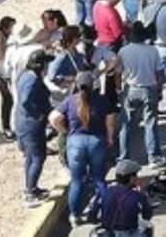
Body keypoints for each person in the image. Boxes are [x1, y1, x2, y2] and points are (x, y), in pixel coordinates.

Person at [50, 71, 118, 227]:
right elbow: (110, 122)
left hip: (75, 143)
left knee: (76, 181)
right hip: (96, 142)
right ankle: (104, 211)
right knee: (99, 178)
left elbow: (53, 118)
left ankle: (75, 215)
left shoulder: (70, 101)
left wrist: (64, 130)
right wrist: (110, 138)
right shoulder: (102, 101)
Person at [116, 22, 166, 167]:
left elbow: (118, 73)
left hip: (130, 88)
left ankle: (124, 157)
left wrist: (119, 89)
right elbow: (160, 74)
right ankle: (153, 157)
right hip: (149, 88)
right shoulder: (153, 50)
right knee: (150, 123)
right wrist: (160, 89)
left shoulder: (123, 51)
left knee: (126, 125)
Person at [14, 49, 52, 207]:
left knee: (30, 157)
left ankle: (31, 187)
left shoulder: (25, 75)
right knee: (38, 157)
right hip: (31, 125)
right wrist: (39, 115)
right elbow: (25, 101)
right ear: (41, 65)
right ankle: (30, 193)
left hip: (24, 123)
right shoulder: (33, 81)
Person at [90, 158, 154, 236]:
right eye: (136, 175)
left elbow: (92, 216)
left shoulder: (103, 193)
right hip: (129, 233)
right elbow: (147, 216)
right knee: (148, 228)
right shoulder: (137, 196)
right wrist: (142, 193)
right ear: (131, 178)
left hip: (108, 232)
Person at [0, 16, 17, 139]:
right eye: (12, 26)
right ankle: (6, 127)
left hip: (15, 75)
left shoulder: (15, 38)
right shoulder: (0, 40)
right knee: (7, 102)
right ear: (5, 28)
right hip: (5, 77)